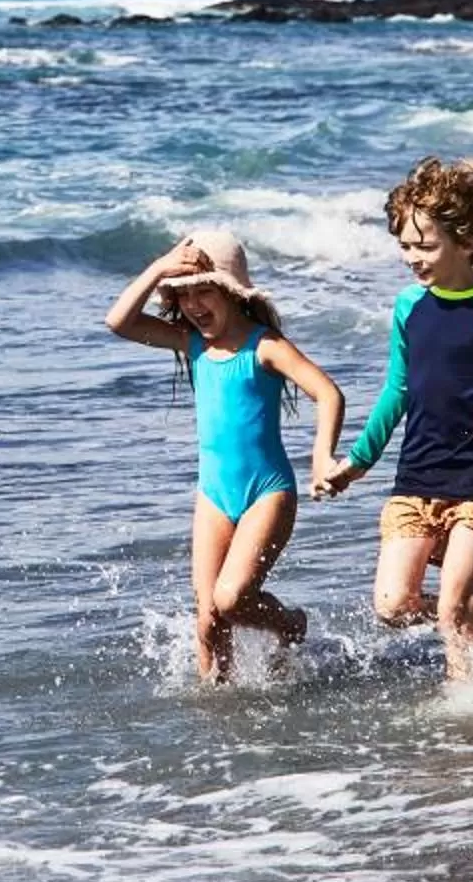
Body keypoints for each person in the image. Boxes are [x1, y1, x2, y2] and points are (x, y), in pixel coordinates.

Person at [313, 158, 473, 683]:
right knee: (392, 605)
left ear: (468, 241)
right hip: (418, 476)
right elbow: (397, 389)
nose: (412, 257)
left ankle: (468, 715)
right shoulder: (409, 306)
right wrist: (358, 462)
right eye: (405, 246)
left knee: (456, 606)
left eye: (425, 246)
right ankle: (471, 630)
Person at [106, 231, 347, 683]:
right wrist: (160, 267)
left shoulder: (266, 346)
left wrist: (321, 459)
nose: (194, 305)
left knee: (232, 599)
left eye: (205, 292)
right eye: (184, 295)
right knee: (207, 620)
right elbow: (119, 322)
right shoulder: (192, 343)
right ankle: (216, 719)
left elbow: (328, 394)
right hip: (213, 495)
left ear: (233, 294)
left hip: (267, 493)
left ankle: (291, 624)